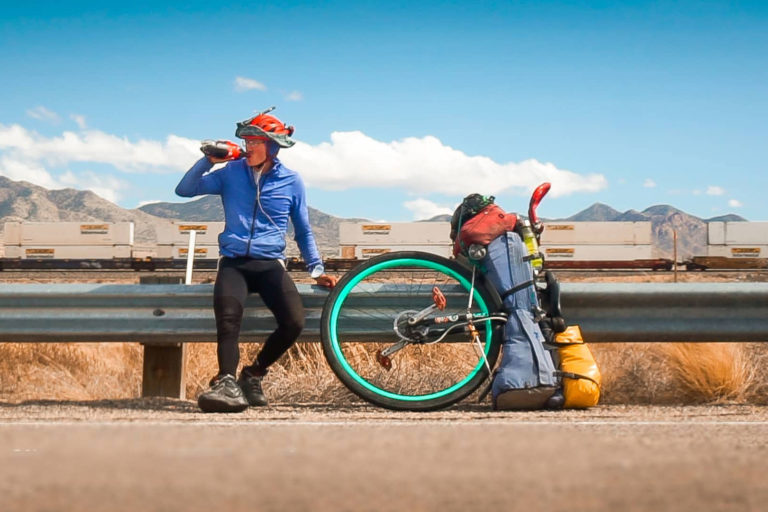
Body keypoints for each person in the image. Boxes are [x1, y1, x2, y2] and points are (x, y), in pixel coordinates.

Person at [176, 107, 337, 413]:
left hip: (269, 265)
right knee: (228, 322)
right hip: (234, 263)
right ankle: (225, 381)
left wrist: (317, 271)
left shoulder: (292, 181)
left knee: (293, 322)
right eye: (247, 141)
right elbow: (184, 190)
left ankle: (253, 374)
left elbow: (303, 230)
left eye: (255, 142)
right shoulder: (230, 174)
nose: (248, 147)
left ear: (272, 146)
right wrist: (209, 160)